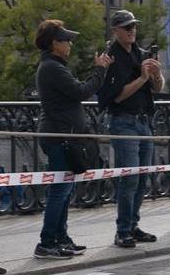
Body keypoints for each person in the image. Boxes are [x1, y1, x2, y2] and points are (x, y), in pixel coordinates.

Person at [33, 20, 113, 259]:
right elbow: (81, 92)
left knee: (65, 191)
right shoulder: (51, 67)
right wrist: (100, 70)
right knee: (60, 191)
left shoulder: (55, 66)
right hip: (59, 137)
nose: (70, 44)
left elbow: (75, 90)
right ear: (54, 43)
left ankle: (61, 238)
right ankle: (46, 243)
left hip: (65, 136)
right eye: (66, 40)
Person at [98, 10, 163, 248]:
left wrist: (157, 74)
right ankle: (122, 230)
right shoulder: (111, 58)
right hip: (124, 122)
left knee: (142, 178)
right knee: (130, 178)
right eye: (127, 27)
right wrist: (143, 78)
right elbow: (116, 96)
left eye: (133, 26)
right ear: (115, 30)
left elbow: (157, 88)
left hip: (144, 121)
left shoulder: (141, 54)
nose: (132, 31)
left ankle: (133, 225)